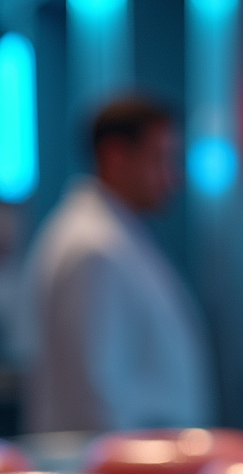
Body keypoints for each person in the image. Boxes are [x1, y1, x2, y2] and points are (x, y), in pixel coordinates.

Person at [19, 96, 214, 432]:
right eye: (159, 160)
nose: (172, 178)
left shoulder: (117, 236)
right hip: (120, 470)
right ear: (115, 155)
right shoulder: (92, 249)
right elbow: (95, 399)